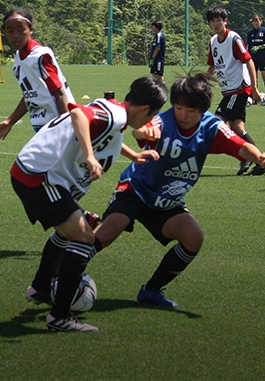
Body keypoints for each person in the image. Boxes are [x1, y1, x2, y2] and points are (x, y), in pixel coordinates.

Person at [92, 72, 265, 308]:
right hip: (137, 188)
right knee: (107, 232)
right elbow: (141, 130)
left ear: (202, 109)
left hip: (167, 200)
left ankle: (151, 290)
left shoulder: (212, 127)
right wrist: (142, 133)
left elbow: (240, 146)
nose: (183, 115)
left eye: (190, 110)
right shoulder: (164, 121)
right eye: (179, 108)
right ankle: (63, 274)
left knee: (193, 238)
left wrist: (260, 157)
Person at [12, 76, 167, 332]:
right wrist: (89, 156)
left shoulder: (116, 115)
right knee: (84, 239)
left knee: (67, 232)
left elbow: (109, 135)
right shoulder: (116, 114)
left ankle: (40, 288)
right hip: (39, 178)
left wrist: (135, 154)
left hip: (33, 173)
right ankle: (60, 316)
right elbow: (80, 116)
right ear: (144, 110)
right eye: (151, 116)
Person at [0, 8, 75, 140]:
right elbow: (30, 95)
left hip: (58, 125)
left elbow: (59, 92)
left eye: (20, 29)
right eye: (10, 31)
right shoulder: (19, 57)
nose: (15, 35)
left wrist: (66, 126)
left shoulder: (40, 56)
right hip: (42, 126)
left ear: (31, 29)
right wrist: (10, 121)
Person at [205, 5, 265, 176]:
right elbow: (212, 66)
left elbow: (249, 61)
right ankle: (256, 160)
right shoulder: (213, 41)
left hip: (239, 89)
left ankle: (248, 158)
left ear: (225, 21)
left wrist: (255, 88)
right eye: (212, 21)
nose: (216, 24)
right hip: (228, 91)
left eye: (219, 20)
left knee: (216, 122)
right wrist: (202, 81)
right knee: (237, 129)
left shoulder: (234, 38)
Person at [247, 15, 265, 103]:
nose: (255, 23)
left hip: (262, 58)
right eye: (254, 21)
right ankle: (254, 98)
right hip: (253, 59)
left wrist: (261, 46)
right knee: (254, 78)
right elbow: (248, 46)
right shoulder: (250, 33)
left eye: (257, 21)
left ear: (261, 21)